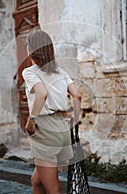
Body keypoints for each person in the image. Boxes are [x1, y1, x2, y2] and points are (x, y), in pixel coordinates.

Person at [22, 29, 82, 194]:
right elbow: (77, 95)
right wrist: (75, 120)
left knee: (53, 189)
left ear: (32, 49)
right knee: (37, 181)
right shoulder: (60, 72)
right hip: (61, 128)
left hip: (44, 129)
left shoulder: (30, 72)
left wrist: (31, 120)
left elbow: (42, 93)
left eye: (27, 46)